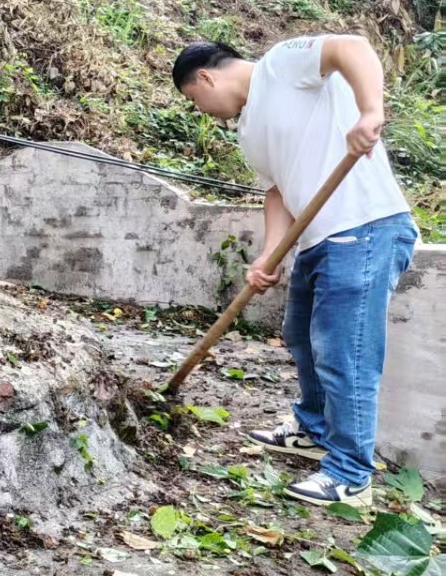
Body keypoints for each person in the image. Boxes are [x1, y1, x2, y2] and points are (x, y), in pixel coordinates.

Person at [173, 36, 417, 509]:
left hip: (364, 226)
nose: (201, 111)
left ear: (205, 78)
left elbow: (353, 47)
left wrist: (370, 111)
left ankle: (350, 474)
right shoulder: (249, 130)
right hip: (316, 240)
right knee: (301, 337)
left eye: (194, 101)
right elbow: (278, 193)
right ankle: (313, 428)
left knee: (346, 354)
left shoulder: (281, 65)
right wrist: (270, 256)